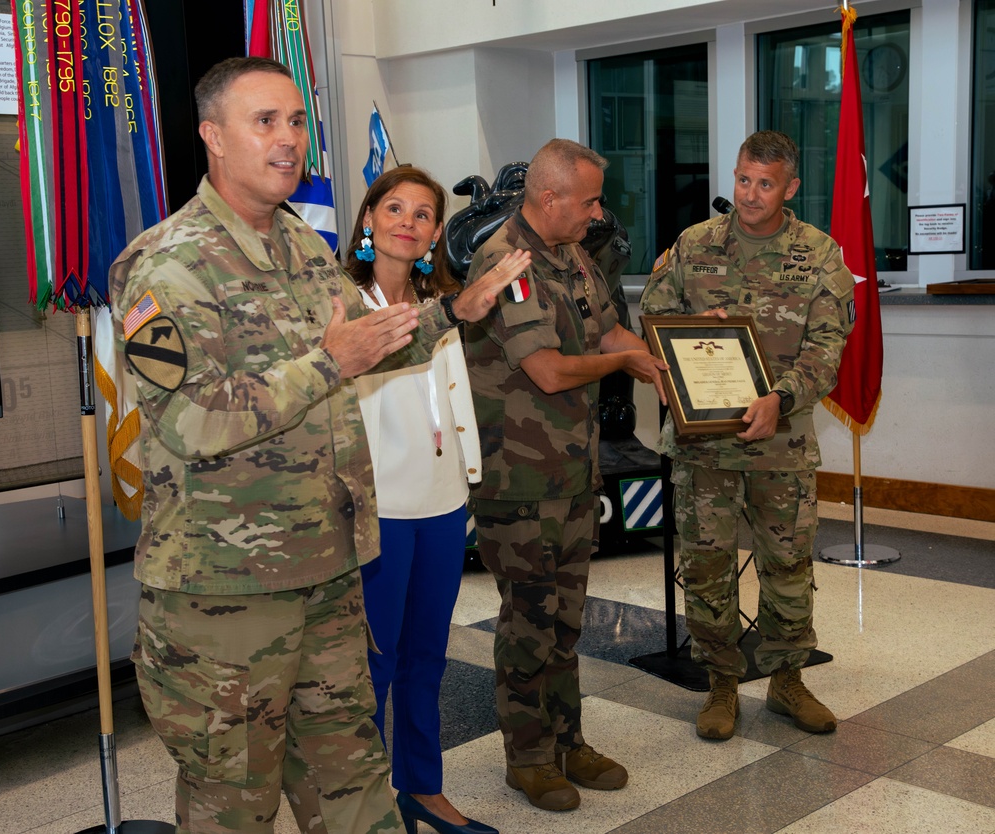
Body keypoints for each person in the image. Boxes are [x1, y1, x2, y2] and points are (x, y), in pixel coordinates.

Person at [108, 56, 528, 834]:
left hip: (330, 572)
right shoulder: (166, 265)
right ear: (213, 137)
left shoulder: (305, 248)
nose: (289, 139)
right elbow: (191, 423)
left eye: (297, 121)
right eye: (265, 121)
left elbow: (371, 347)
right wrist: (329, 361)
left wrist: (453, 313)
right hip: (225, 593)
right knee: (233, 804)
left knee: (356, 789)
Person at [463, 138, 668, 813]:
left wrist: (663, 362)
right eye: (587, 201)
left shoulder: (571, 253)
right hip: (518, 482)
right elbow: (549, 369)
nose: (596, 212)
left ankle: (568, 741)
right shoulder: (507, 264)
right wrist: (624, 367)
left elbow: (607, 330)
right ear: (549, 199)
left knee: (567, 621)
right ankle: (527, 758)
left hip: (572, 474)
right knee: (530, 620)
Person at [640, 130, 855, 741]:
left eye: (765, 183)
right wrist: (689, 328)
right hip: (703, 444)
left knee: (786, 563)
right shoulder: (693, 246)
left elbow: (826, 348)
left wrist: (779, 399)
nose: (750, 194)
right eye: (742, 179)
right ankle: (720, 684)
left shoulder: (818, 254)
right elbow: (654, 320)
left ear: (790, 187)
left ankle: (787, 680)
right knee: (706, 564)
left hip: (780, 440)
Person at [344, 166, 497, 834]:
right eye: (395, 208)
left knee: (427, 657)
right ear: (369, 220)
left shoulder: (446, 300)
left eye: (425, 213)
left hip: (440, 501)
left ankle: (422, 788)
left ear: (437, 231)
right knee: (372, 666)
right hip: (378, 510)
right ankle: (367, 800)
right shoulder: (344, 303)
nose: (410, 221)